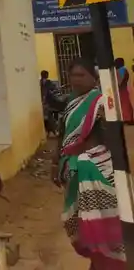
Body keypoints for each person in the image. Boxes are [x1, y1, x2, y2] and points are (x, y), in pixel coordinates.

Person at [52, 58, 126, 268]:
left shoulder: (101, 101)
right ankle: (97, 261)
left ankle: (105, 260)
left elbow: (110, 137)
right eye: (73, 75)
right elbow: (63, 133)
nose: (76, 80)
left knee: (99, 219)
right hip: (71, 167)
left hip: (93, 165)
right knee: (81, 221)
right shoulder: (71, 102)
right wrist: (55, 161)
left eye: (81, 75)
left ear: (93, 78)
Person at [115, 58, 133, 123]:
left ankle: (127, 119)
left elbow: (119, 81)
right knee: (126, 104)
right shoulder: (123, 69)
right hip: (124, 89)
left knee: (124, 104)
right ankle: (128, 118)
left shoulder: (121, 70)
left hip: (121, 90)